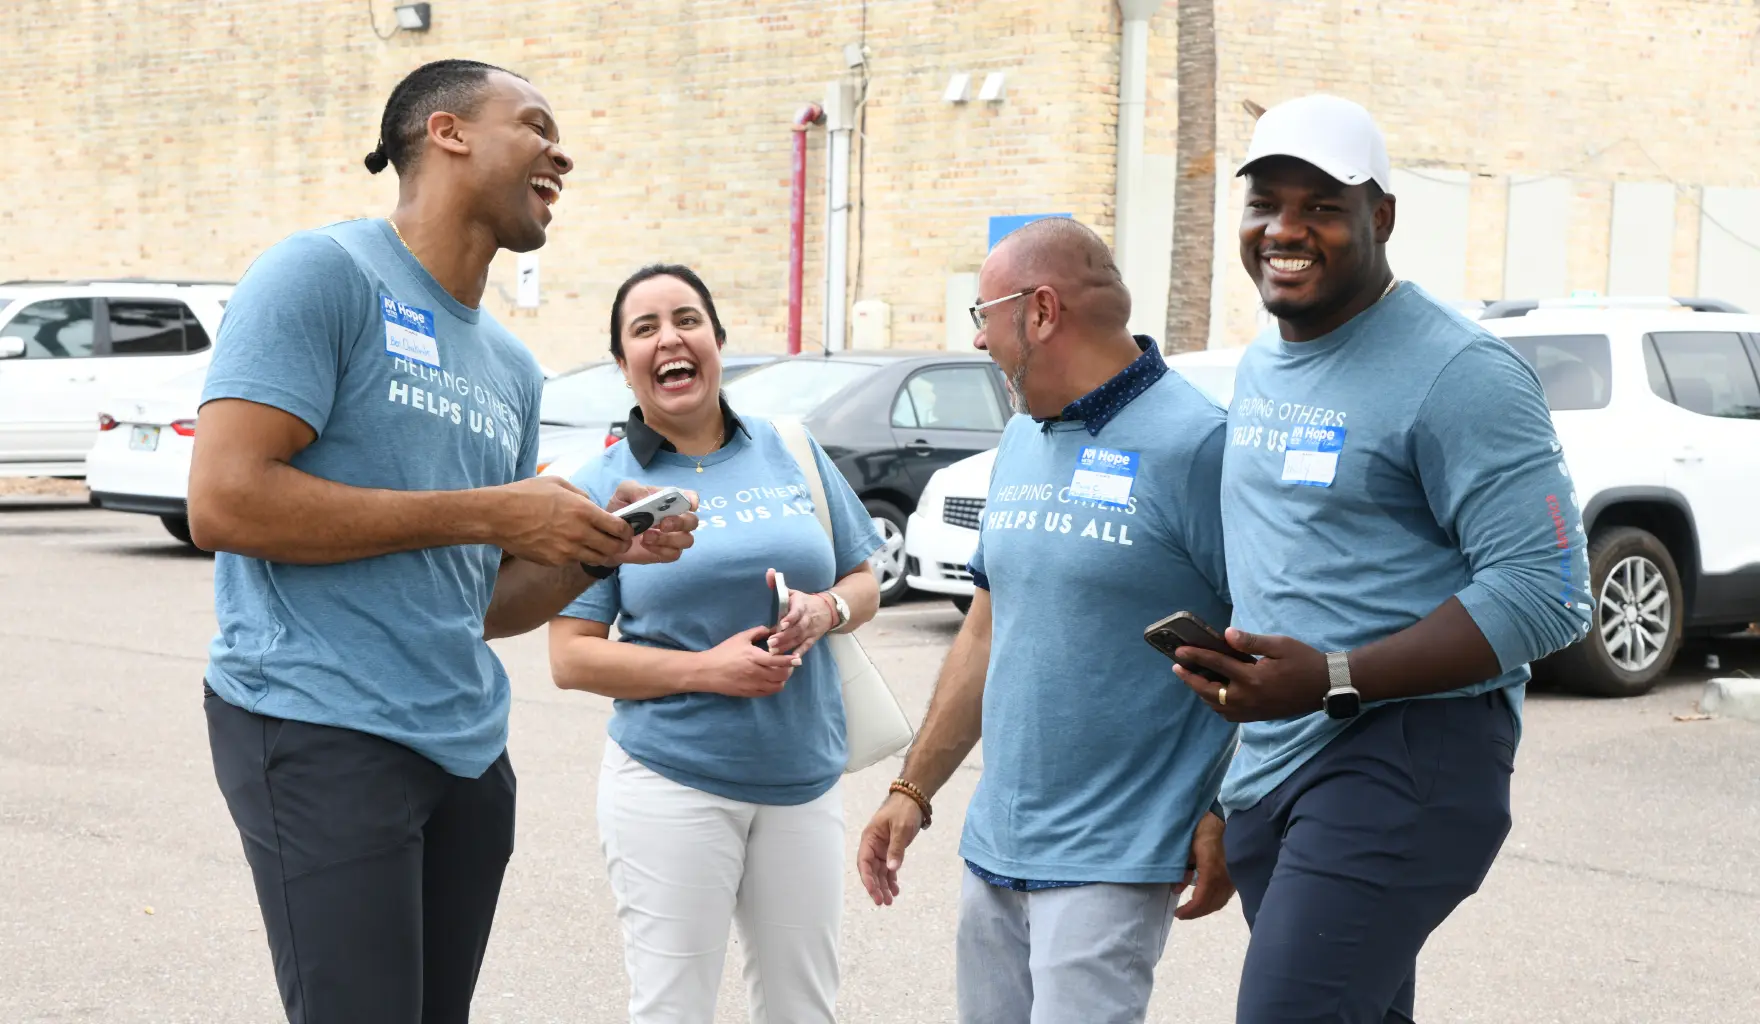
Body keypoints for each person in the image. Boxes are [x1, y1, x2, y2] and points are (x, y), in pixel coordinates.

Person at [187, 60, 698, 1024]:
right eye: (536, 126)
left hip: (463, 754)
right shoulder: (322, 273)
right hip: (317, 723)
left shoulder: (509, 364)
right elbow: (225, 503)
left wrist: (592, 551)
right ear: (448, 131)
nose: (563, 153)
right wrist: (488, 511)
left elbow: (478, 601)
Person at [1170, 94, 1592, 1024]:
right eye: (1265, 203)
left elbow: (1550, 591)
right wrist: (1223, 786)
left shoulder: (1461, 372)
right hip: (1279, 766)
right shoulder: (1259, 366)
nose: (1285, 229)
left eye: (1321, 205)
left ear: (1382, 218)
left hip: (1406, 757)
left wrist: (1332, 679)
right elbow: (1282, 580)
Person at [856, 218, 1239, 1024]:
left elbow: (1275, 636)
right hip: (996, 846)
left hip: (1118, 853)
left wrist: (1231, 805)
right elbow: (986, 630)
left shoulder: (1199, 445)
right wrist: (912, 789)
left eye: (981, 314)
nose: (977, 339)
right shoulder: (1024, 436)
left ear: (1039, 311)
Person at [547, 264, 883, 1024]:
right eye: (645, 328)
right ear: (623, 363)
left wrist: (825, 610)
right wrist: (710, 670)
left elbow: (864, 579)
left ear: (719, 341)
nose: (671, 338)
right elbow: (571, 656)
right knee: (674, 1012)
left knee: (804, 1011)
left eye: (687, 319)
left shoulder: (788, 447)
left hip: (803, 781)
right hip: (672, 784)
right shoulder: (608, 485)